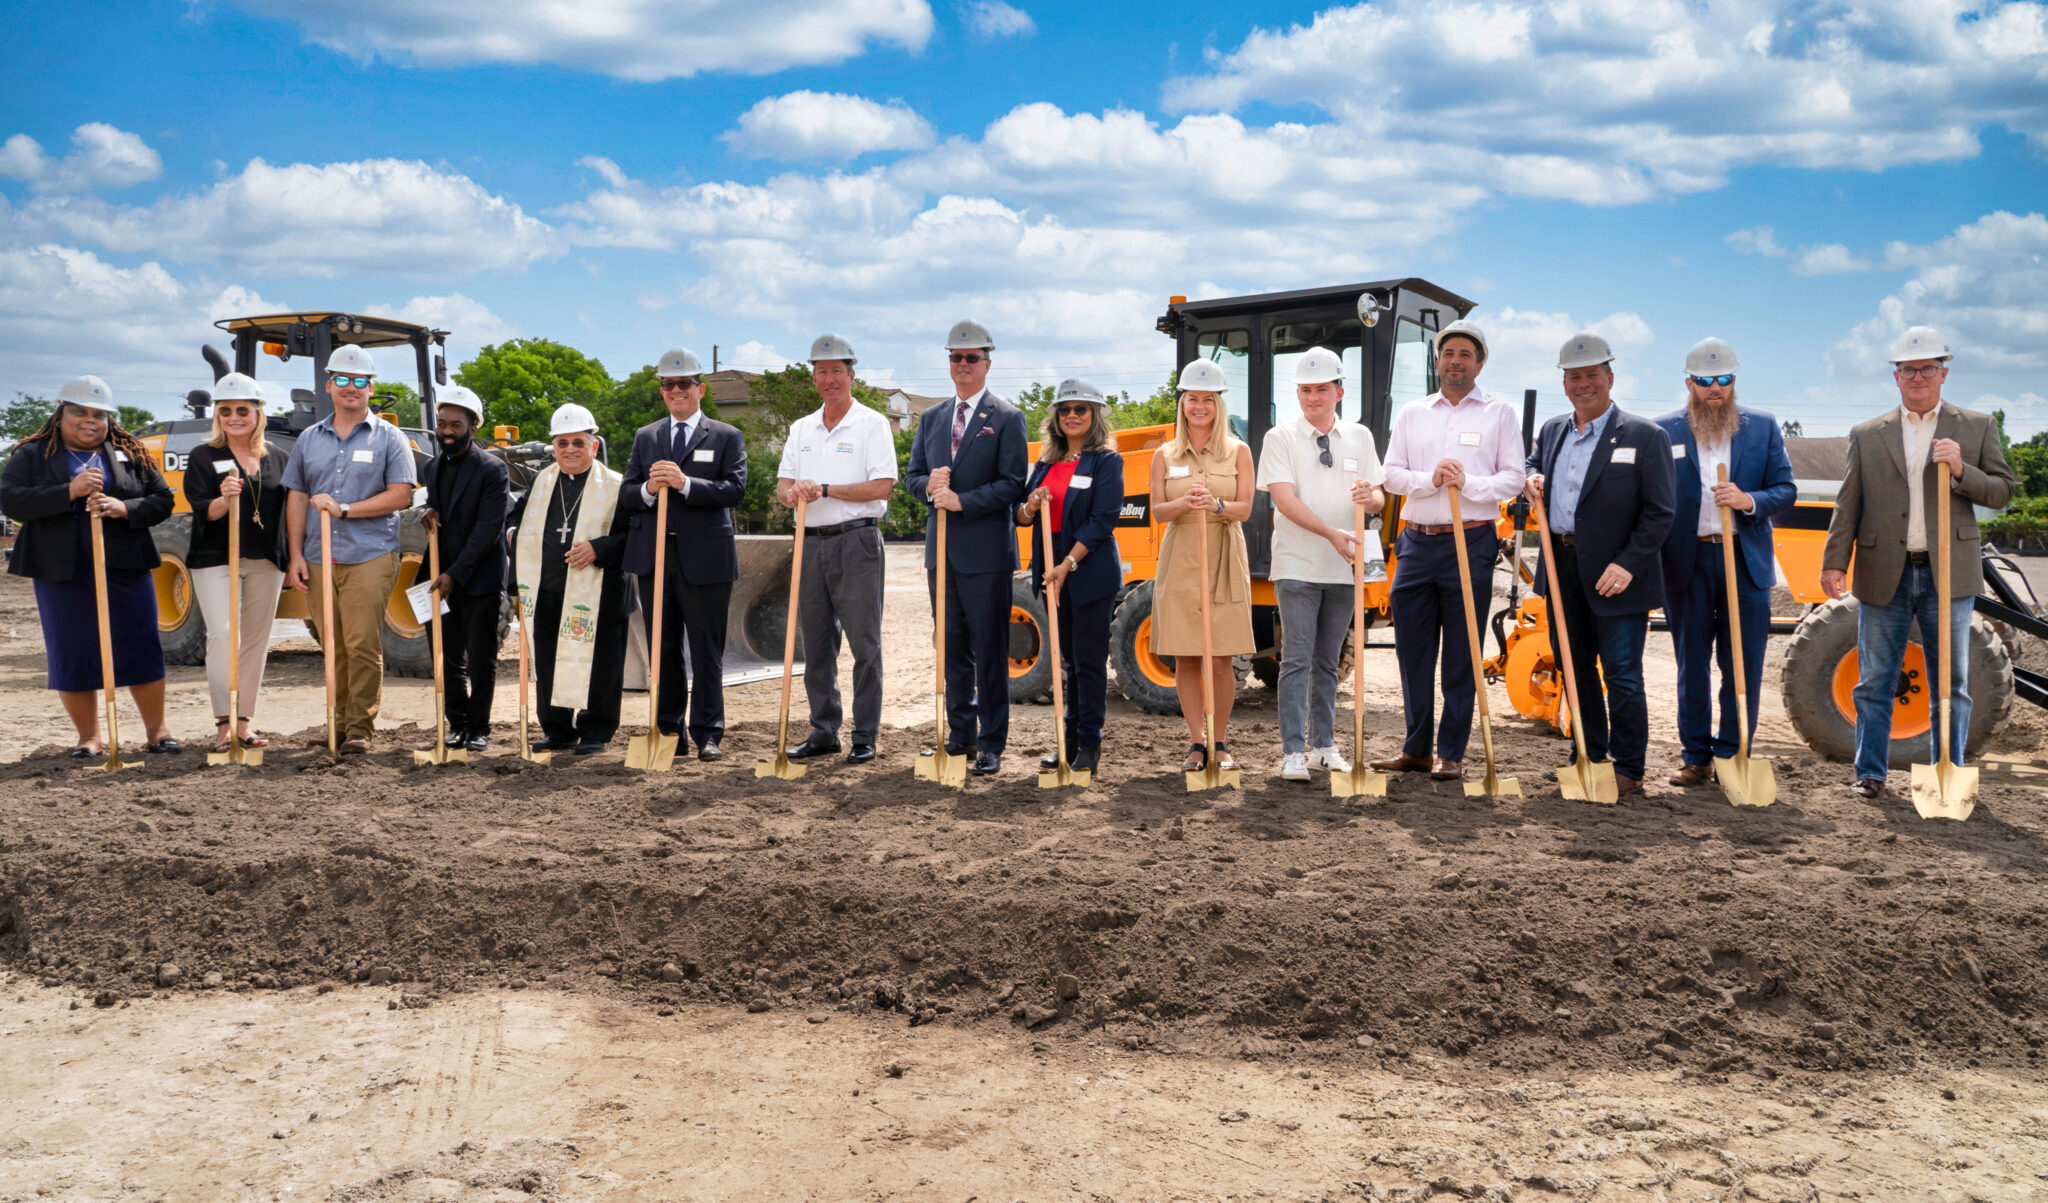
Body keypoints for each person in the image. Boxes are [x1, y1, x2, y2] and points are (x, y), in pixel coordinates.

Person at [1821, 326, 2015, 799]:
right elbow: (1849, 504)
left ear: (1944, 373)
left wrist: (1962, 471)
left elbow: (2004, 492)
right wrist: (1834, 562)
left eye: (1928, 368)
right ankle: (1870, 773)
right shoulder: (1867, 435)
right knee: (1874, 679)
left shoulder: (1977, 426)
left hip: (1949, 572)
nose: (1918, 376)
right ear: (1896, 377)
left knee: (1953, 680)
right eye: (1909, 369)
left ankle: (1947, 770)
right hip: (1883, 570)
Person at [1525, 332, 1676, 797]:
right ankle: (1588, 754)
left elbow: (1660, 511)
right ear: (1564, 383)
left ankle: (1629, 768)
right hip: (1562, 568)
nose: (1583, 384)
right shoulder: (1553, 431)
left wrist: (1629, 564)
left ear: (1610, 378)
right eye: (1574, 376)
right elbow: (1533, 464)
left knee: (1622, 675)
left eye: (1592, 374)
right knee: (1575, 669)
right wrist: (1530, 477)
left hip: (1617, 575)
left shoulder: (1645, 436)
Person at [1375, 321, 1526, 781]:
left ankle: (1451, 753)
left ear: (1479, 363)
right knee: (1413, 652)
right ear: (1437, 362)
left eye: (1465, 354)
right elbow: (1391, 475)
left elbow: (1513, 478)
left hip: (1471, 539)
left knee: (1461, 653)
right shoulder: (1413, 413)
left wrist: (1468, 483)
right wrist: (1430, 479)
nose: (1455, 361)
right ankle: (1416, 748)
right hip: (1417, 542)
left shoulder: (1499, 414)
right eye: (1448, 353)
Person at [1, 375, 180, 757]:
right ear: (61, 414)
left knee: (140, 645)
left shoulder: (131, 451)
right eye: (79, 411)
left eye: (99, 414)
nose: (90, 420)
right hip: (61, 572)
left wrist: (123, 508)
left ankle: (157, 731)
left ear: (109, 419)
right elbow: (11, 501)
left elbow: (162, 500)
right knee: (74, 649)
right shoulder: (32, 454)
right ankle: (90, 738)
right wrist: (69, 490)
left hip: (126, 567)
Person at [1653, 339, 1795, 787]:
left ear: (1735, 380)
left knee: (1743, 664)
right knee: (1691, 663)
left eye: (1724, 380)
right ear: (1689, 383)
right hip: (1687, 561)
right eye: (1705, 382)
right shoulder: (1664, 432)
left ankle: (1734, 752)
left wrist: (1748, 499)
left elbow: (1785, 490)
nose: (1716, 389)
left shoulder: (1763, 427)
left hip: (1743, 560)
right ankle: (1696, 756)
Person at [904, 320, 1029, 776]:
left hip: (987, 554)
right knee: (951, 646)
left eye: (971, 358)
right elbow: (913, 477)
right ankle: (961, 736)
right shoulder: (933, 418)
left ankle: (993, 739)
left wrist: (963, 501)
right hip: (942, 555)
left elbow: (1014, 484)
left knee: (990, 648)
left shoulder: (1007, 418)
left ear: (987, 363)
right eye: (955, 357)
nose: (962, 365)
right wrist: (928, 488)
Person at [282, 344, 419, 754]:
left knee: (361, 643)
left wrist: (344, 510)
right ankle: (336, 725)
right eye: (343, 379)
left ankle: (359, 728)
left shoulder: (391, 438)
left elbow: (401, 496)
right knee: (333, 644)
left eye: (360, 381)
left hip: (370, 554)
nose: (351, 388)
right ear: (329, 385)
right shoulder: (308, 439)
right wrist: (295, 556)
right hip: (318, 555)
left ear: (371, 388)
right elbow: (296, 498)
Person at [1256, 347, 1386, 782]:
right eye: (1306, 390)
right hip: (1297, 563)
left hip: (1345, 567)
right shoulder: (1280, 438)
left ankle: (1324, 746)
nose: (1314, 397)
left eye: (1322, 389)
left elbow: (1380, 495)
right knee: (1295, 659)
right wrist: (1331, 534)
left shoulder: (1361, 437)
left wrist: (1372, 499)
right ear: (1298, 394)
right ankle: (1293, 751)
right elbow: (1285, 501)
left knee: (1328, 662)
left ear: (1339, 392)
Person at [775, 335, 898, 766]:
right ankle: (824, 730)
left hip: (857, 542)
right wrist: (795, 495)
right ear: (814, 377)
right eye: (821, 372)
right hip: (810, 543)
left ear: (851, 375)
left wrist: (824, 488)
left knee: (865, 643)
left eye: (836, 371)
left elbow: (881, 486)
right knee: (816, 644)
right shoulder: (801, 428)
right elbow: (783, 487)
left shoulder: (872, 424)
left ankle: (864, 735)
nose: (829, 379)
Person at [619, 347, 746, 762]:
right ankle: (669, 730)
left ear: (700, 389)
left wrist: (686, 483)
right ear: (662, 391)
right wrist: (648, 491)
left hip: (706, 561)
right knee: (663, 648)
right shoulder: (646, 437)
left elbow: (735, 491)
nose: (676, 390)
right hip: (656, 561)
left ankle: (708, 732)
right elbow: (626, 495)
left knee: (706, 650)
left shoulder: (725, 436)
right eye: (668, 384)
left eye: (684, 384)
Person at [1149, 359, 1255, 774]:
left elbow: (1246, 509)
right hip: (1180, 559)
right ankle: (1197, 742)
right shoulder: (1164, 454)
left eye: (1207, 400)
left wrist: (1217, 504)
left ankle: (1221, 741)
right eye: (1192, 398)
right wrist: (1183, 503)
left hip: (1224, 554)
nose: (1199, 406)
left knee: (1221, 658)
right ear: (1182, 402)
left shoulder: (1238, 450)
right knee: (1188, 657)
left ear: (1218, 404)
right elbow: (1158, 511)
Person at [1015, 378, 1126, 773]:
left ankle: (1089, 746)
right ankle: (1069, 738)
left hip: (1087, 569)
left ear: (1094, 416)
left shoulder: (1106, 462)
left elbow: (1103, 520)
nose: (1072, 416)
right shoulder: (1045, 464)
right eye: (1065, 410)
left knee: (1088, 662)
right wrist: (1030, 504)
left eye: (1081, 409)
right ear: (1056, 419)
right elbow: (1021, 516)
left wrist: (1068, 564)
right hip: (1049, 567)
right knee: (1066, 661)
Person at [511, 403, 633, 755]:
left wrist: (599, 548)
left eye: (578, 442)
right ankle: (558, 729)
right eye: (562, 443)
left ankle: (596, 730)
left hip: (601, 591)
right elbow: (515, 521)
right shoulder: (541, 482)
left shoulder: (616, 485)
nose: (569, 450)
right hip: (547, 588)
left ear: (594, 446)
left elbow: (634, 535)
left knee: (602, 665)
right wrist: (512, 534)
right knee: (548, 662)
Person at [182, 371, 290, 753]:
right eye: (225, 410)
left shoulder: (278, 457)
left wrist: (292, 560)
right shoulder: (203, 456)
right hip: (215, 557)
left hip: (266, 559)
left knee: (256, 641)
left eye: (242, 409)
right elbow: (201, 511)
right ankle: (223, 724)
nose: (234, 417)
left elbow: (288, 511)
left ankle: (244, 721)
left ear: (258, 412)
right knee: (224, 634)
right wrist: (223, 498)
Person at [417, 384, 510, 752]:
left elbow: (489, 530)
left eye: (456, 424)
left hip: (479, 578)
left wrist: (455, 574)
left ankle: (479, 727)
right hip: (440, 574)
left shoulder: (493, 469)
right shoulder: (432, 466)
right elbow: (440, 510)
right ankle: (457, 723)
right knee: (446, 654)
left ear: (473, 426)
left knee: (480, 657)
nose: (447, 431)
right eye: (442, 424)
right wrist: (429, 511)